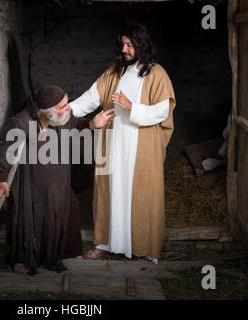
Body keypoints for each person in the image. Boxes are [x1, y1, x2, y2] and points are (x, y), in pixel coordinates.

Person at [69, 22, 176, 264]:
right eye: (123, 44)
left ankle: (144, 249)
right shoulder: (113, 73)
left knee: (142, 196)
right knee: (110, 194)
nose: (125, 49)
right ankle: (104, 243)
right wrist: (63, 109)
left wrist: (132, 107)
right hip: (113, 146)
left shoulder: (156, 73)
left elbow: (161, 112)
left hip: (141, 148)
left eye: (130, 44)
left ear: (142, 45)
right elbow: (88, 100)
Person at [0, 85, 115, 275]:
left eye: (67, 104)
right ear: (48, 113)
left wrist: (93, 123)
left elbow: (77, 124)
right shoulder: (21, 122)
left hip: (56, 178)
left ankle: (64, 252)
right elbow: (2, 149)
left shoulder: (63, 118)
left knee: (69, 205)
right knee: (28, 217)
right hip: (30, 182)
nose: (69, 108)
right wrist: (1, 180)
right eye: (64, 106)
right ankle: (22, 259)